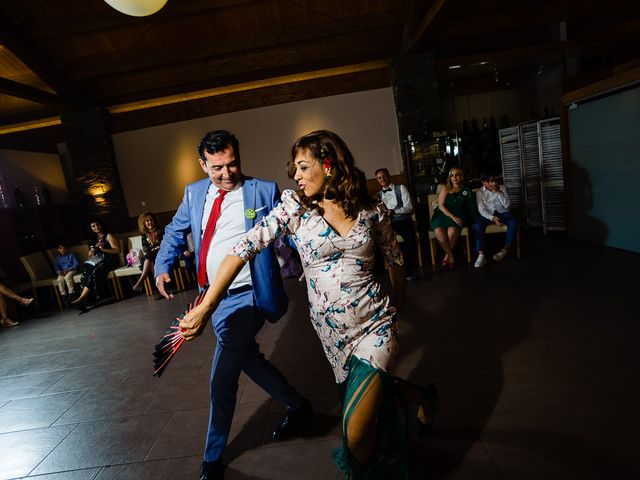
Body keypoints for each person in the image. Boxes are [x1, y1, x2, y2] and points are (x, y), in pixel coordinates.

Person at [179, 130, 438, 480]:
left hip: (376, 325)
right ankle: (419, 396)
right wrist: (206, 306)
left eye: (303, 167)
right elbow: (243, 247)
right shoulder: (294, 208)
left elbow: (393, 256)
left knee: (356, 433)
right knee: (372, 391)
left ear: (328, 165)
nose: (296, 176)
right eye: (294, 169)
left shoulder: (370, 208)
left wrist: (397, 306)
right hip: (333, 337)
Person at [154, 130, 310, 480]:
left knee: (222, 376)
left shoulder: (263, 190)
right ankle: (298, 404)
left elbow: (296, 230)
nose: (227, 174)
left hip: (249, 294)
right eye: (217, 168)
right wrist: (163, 267)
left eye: (233, 163)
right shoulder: (193, 193)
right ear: (203, 164)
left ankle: (212, 456)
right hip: (212, 294)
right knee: (247, 359)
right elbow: (174, 232)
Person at [429, 167, 477, 268]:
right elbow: (441, 205)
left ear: (461, 177)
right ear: (449, 178)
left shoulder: (466, 190)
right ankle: (450, 255)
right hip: (443, 214)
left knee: (452, 231)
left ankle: (447, 256)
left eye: (457, 175)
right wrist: (452, 216)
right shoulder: (446, 188)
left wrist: (475, 218)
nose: (454, 177)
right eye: (452, 175)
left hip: (459, 214)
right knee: (438, 231)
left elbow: (471, 206)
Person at [375, 168, 418, 280]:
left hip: (403, 220)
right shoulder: (378, 195)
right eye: (379, 177)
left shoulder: (401, 188)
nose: (382, 179)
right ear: (377, 180)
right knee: (377, 240)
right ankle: (388, 272)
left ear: (389, 176)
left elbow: (409, 206)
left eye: (384, 176)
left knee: (409, 240)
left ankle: (407, 271)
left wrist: (394, 211)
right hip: (387, 224)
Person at [70, 220, 120, 312]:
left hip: (110, 260)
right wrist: (92, 250)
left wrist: (103, 249)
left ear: (101, 225)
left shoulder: (108, 235)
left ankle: (81, 299)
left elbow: (117, 250)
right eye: (93, 226)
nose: (96, 227)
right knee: (86, 272)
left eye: (97, 224)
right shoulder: (93, 239)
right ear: (91, 228)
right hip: (98, 260)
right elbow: (89, 255)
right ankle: (86, 301)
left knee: (95, 272)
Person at [473, 174, 518, 267]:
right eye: (488, 181)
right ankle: (481, 255)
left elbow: (507, 205)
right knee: (477, 225)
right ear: (483, 182)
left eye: (492, 180)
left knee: (513, 223)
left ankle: (505, 250)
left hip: (502, 212)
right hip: (488, 214)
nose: (491, 183)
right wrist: (492, 218)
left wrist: (499, 192)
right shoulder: (479, 192)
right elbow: (481, 210)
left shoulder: (502, 187)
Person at [133, 212, 163, 292]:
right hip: (152, 255)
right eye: (147, 221)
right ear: (144, 223)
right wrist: (152, 247)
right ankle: (159, 287)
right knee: (151, 259)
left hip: (162, 252)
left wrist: (155, 247)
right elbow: (145, 248)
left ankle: (141, 280)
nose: (150, 222)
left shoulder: (160, 230)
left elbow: (164, 243)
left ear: (154, 221)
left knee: (150, 256)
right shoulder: (144, 234)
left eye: (151, 220)